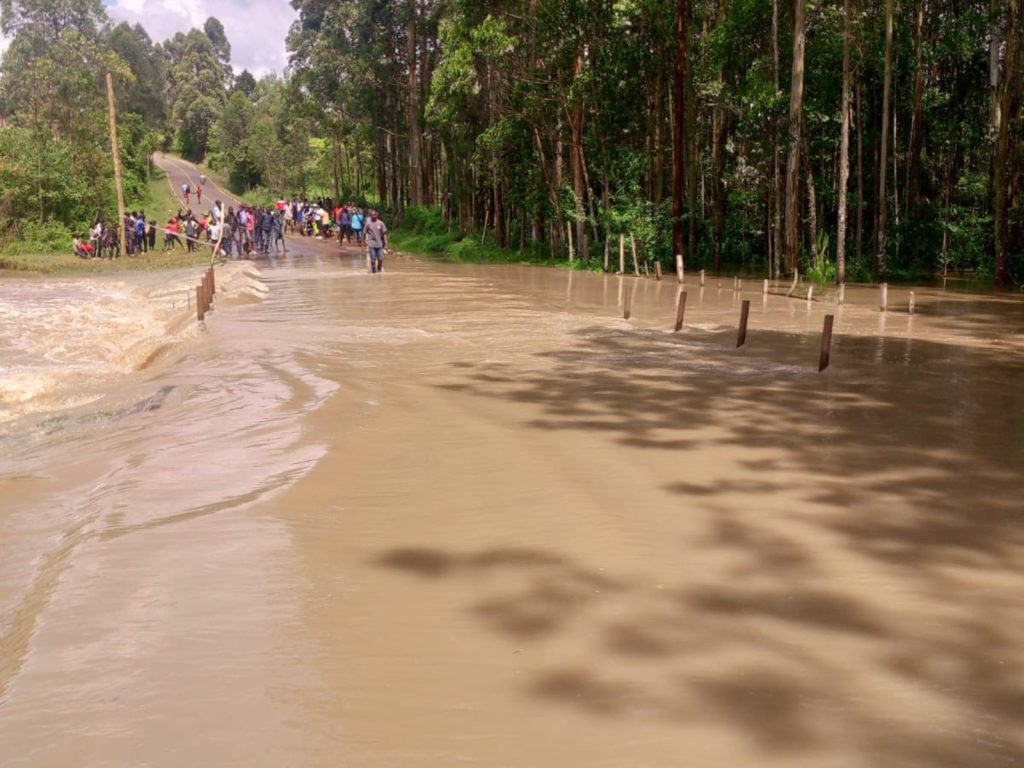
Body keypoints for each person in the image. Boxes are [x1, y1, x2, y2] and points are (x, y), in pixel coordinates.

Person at [363, 209, 388, 274]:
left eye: (374, 215)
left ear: (377, 215)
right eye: (372, 215)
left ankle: (379, 270)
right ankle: (373, 272)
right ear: (370, 216)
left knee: (381, 258)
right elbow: (364, 233)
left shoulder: (381, 223)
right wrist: (363, 244)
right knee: (373, 259)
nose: (373, 216)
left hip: (379, 244)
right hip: (371, 244)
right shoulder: (368, 223)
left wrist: (386, 244)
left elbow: (384, 234)